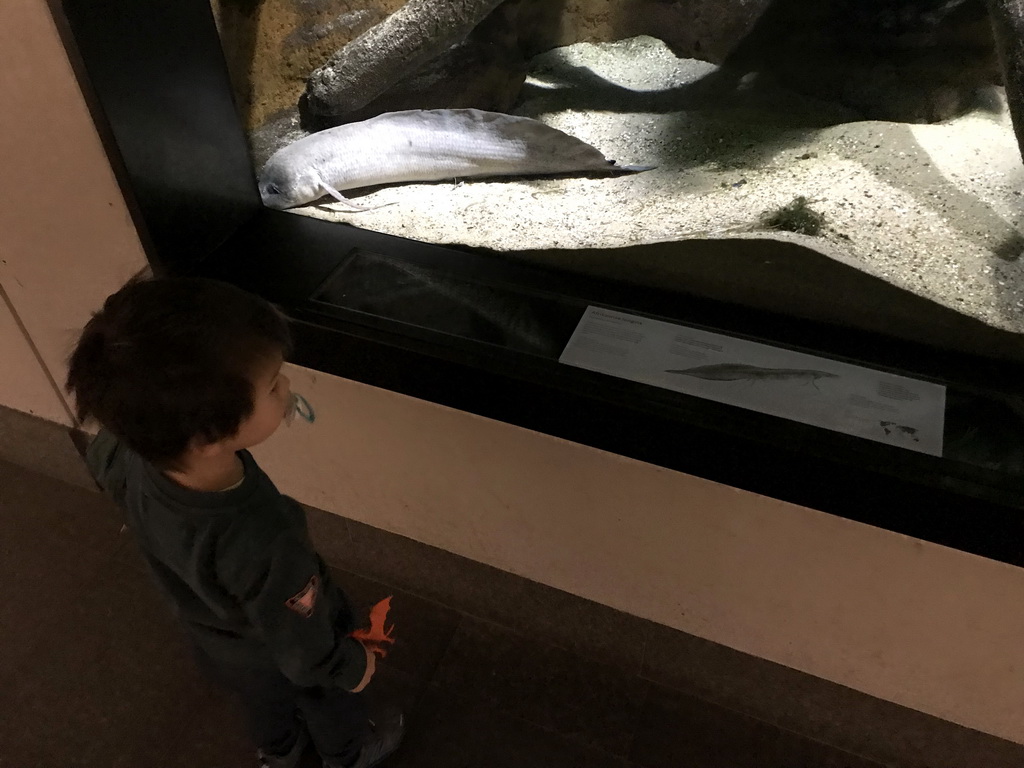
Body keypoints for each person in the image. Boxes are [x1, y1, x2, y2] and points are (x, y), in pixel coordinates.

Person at [65, 275, 403, 768]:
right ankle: (346, 754)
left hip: (212, 636)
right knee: (321, 696)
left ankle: (279, 752)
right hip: (282, 648)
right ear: (207, 435)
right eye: (272, 386)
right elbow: (303, 647)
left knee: (259, 701)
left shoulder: (124, 446)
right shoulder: (264, 537)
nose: (286, 388)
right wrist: (351, 666)